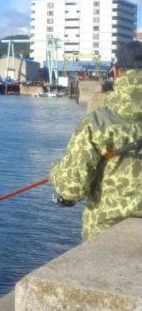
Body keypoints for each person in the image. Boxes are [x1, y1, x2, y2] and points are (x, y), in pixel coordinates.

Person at [50, 40, 142, 241]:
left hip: (107, 234)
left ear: (117, 72)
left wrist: (55, 173)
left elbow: (71, 188)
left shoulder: (97, 124)